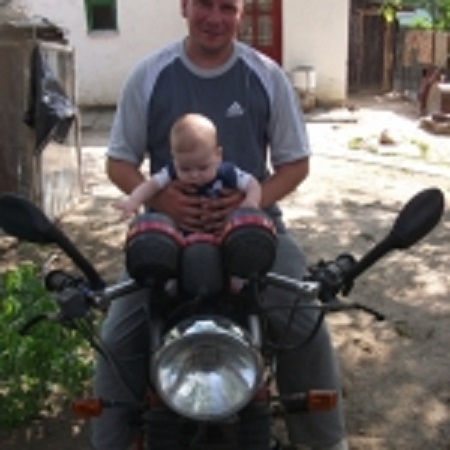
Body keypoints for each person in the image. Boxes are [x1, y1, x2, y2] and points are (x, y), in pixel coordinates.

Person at [92, 1, 348, 449]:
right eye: (204, 4)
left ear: (242, 12)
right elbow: (119, 161)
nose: (215, 17)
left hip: (255, 228)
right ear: (184, 6)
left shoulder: (266, 76)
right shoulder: (149, 75)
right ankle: (110, 441)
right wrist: (162, 200)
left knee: (302, 317)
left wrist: (252, 203)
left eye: (228, 6)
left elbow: (295, 164)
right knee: (118, 332)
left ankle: (324, 442)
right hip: (164, 234)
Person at [113, 112, 261, 222]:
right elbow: (151, 185)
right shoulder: (171, 171)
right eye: (185, 169)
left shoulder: (226, 171)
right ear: (174, 159)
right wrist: (134, 201)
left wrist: (251, 201)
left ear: (218, 156)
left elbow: (252, 184)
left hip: (221, 229)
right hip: (182, 231)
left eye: (203, 168)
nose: (194, 175)